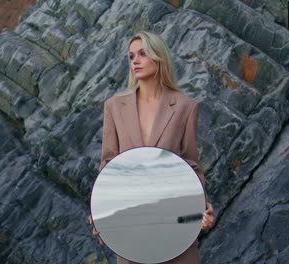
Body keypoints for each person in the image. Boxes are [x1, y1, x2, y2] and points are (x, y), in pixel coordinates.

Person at [89, 30, 215, 264]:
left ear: (159, 58)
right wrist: (102, 215)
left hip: (176, 224)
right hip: (131, 228)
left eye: (143, 54)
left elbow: (190, 165)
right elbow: (108, 167)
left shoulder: (185, 107)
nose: (135, 60)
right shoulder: (114, 107)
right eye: (131, 56)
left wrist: (203, 207)